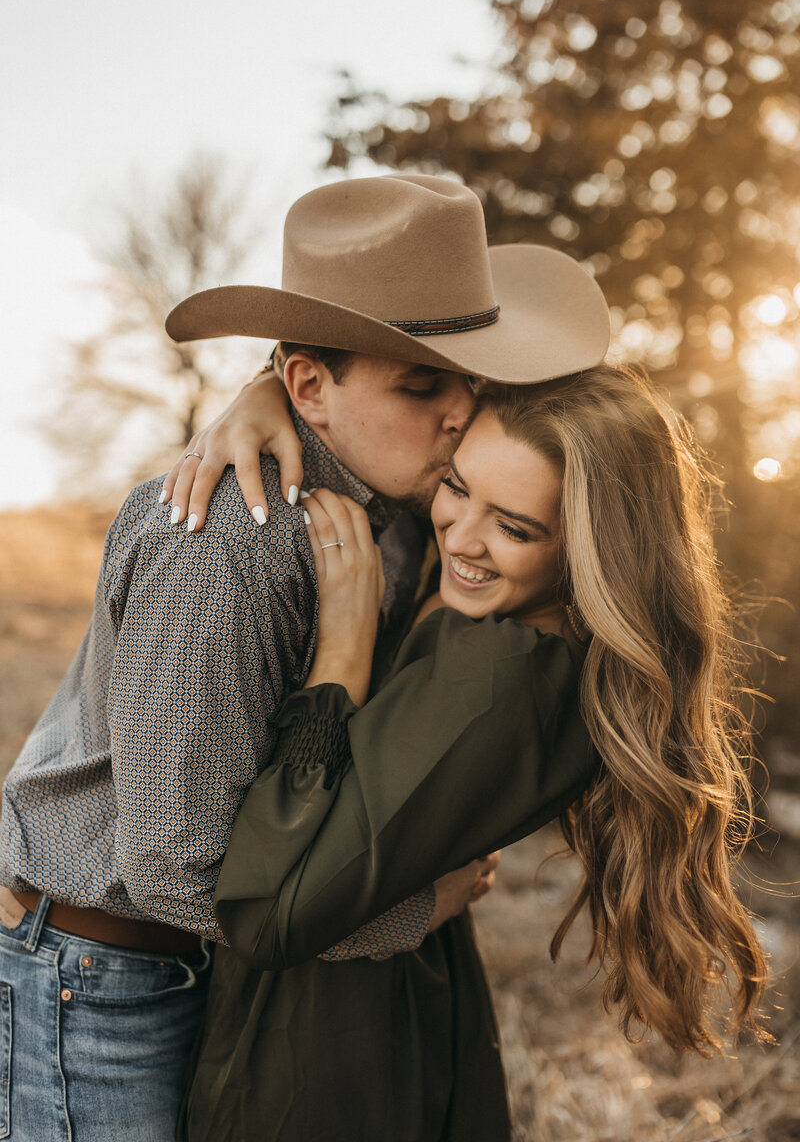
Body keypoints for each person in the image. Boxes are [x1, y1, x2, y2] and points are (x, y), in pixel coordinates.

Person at [0, 172, 608, 1141]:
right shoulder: (222, 546)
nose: (460, 414)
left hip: (222, 968)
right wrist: (406, 908)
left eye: (471, 382)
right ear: (311, 388)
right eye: (421, 383)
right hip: (103, 972)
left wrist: (259, 390)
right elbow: (170, 866)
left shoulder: (411, 496)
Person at [169, 364, 769, 1142]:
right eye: (455, 486)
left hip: (326, 1068)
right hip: (363, 1023)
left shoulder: (502, 678)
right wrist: (265, 395)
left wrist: (341, 658)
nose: (462, 535)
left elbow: (265, 917)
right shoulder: (478, 598)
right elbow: (372, 399)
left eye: (515, 528)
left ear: (592, 547)